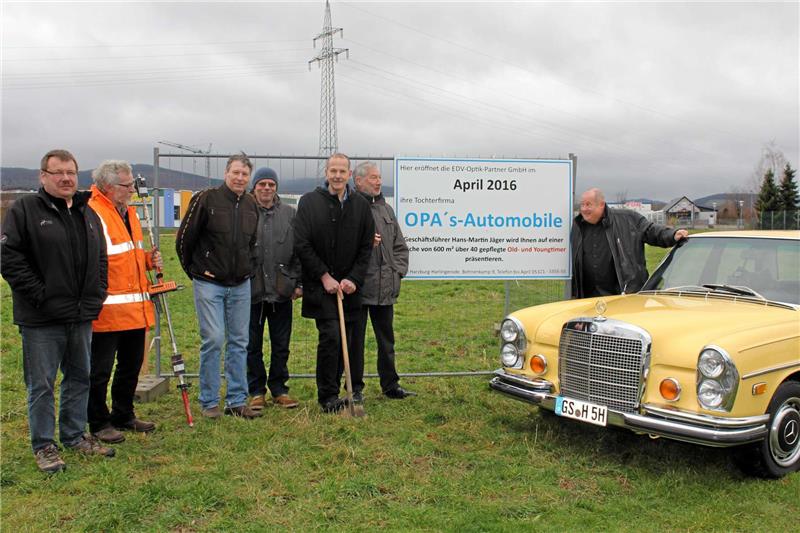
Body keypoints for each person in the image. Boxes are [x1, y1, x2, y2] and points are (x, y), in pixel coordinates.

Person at [1, 149, 114, 473]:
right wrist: (42, 296)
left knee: (80, 377)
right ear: (43, 176)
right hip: (42, 319)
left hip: (80, 316)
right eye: (58, 172)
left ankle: (75, 435)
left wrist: (98, 293)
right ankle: (44, 445)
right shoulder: (25, 210)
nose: (65, 178)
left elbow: (101, 259)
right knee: (42, 385)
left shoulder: (87, 212)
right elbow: (10, 260)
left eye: (70, 172)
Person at [176, 153, 262, 419]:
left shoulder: (251, 204)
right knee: (213, 340)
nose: (239, 178)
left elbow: (252, 245)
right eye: (235, 172)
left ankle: (236, 400)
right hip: (209, 282)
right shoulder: (206, 199)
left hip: (240, 284)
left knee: (239, 341)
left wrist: (247, 270)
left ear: (249, 178)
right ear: (226, 173)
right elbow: (183, 240)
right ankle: (209, 401)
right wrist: (196, 272)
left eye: (244, 174)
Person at [86, 161, 161, 444]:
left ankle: (123, 413)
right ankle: (98, 420)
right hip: (106, 311)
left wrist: (147, 261)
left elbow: (128, 256)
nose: (132, 190)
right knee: (100, 370)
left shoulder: (129, 213)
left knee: (131, 365)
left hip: (135, 308)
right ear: (108, 186)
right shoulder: (93, 213)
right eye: (126, 185)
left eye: (132, 185)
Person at [294, 153, 375, 413]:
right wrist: (324, 275)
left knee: (346, 340)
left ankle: (344, 390)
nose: (337, 175)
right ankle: (327, 396)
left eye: (342, 171)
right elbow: (302, 243)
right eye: (333, 171)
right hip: (321, 286)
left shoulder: (361, 205)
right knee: (330, 337)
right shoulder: (309, 202)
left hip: (349, 289)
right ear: (326, 173)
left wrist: (353, 278)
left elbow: (366, 247)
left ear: (349, 174)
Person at [350, 161, 415, 401]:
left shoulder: (386, 209)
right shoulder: (352, 207)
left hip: (385, 288)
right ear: (358, 181)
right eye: (373, 178)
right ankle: (355, 388)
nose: (378, 182)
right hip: (358, 287)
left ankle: (390, 385)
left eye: (379, 178)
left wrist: (397, 272)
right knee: (355, 341)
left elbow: (400, 246)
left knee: (386, 341)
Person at [246, 167, 302, 411]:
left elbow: (301, 250)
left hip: (282, 291)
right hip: (251, 292)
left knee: (281, 344)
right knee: (251, 345)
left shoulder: (291, 214)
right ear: (254, 187)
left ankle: (279, 389)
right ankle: (256, 391)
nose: (266, 188)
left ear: (276, 187)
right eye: (262, 184)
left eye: (271, 184)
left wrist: (298, 283)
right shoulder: (245, 212)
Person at [571, 188, 689, 298]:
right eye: (582, 204)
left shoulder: (628, 219)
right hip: (588, 299)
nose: (584, 209)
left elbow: (651, 231)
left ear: (601, 204)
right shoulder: (577, 227)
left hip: (623, 296)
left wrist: (672, 235)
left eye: (588, 204)